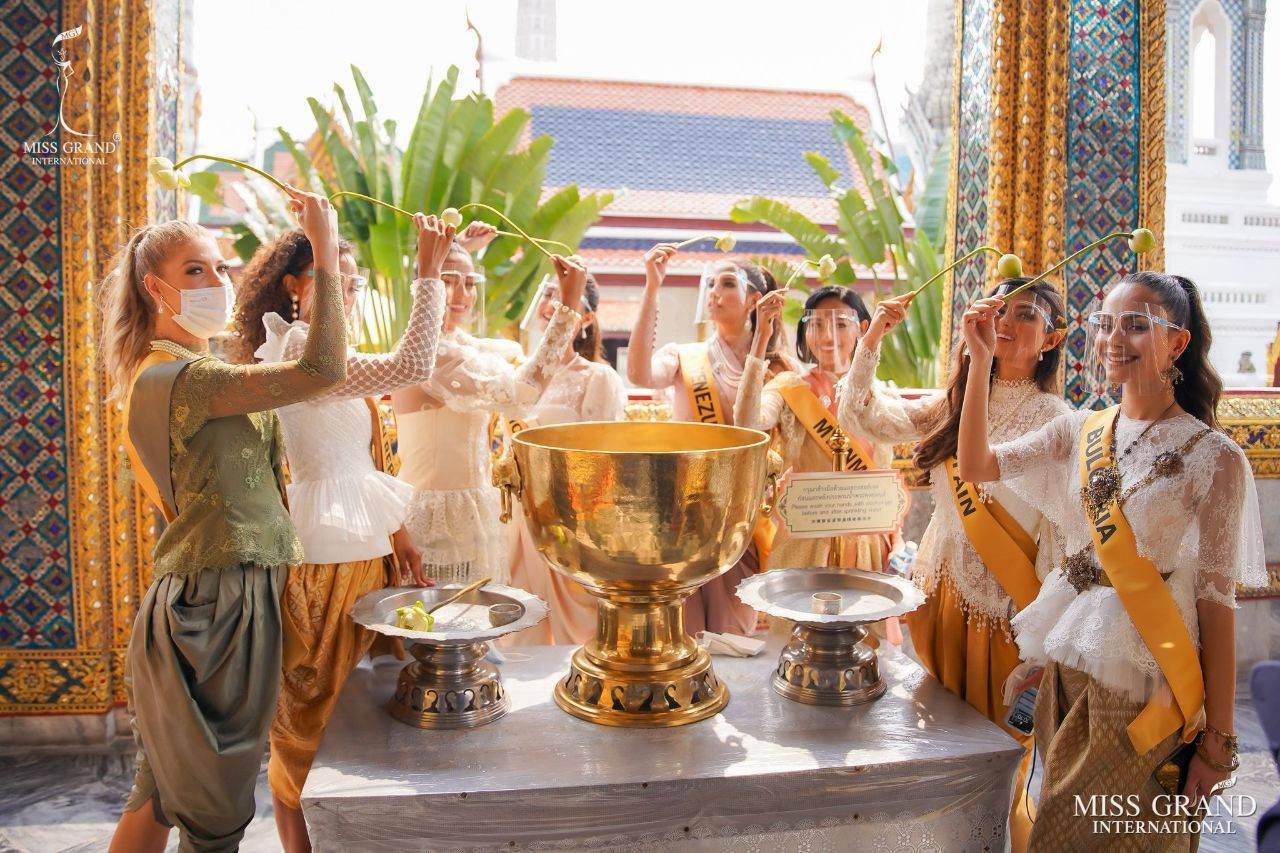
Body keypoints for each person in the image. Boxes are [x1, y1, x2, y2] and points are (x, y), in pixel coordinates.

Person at [957, 271, 1266, 849]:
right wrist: (978, 360)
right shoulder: (1080, 430)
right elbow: (975, 464)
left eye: (1137, 325)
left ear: (1178, 341)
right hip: (1073, 667)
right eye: (1106, 323)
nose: (1114, 339)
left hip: (1149, 683)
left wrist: (1218, 743)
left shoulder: (1215, 459)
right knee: (1061, 827)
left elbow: (1217, 608)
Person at [101, 190, 347, 852]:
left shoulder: (180, 374)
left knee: (159, 796)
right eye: (195, 270)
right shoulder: (187, 380)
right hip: (219, 607)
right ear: (156, 288)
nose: (219, 281)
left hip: (212, 597)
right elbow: (323, 369)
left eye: (219, 266)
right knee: (212, 814)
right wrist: (324, 249)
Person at [233, 214, 453, 852]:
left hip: (365, 548)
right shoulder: (302, 352)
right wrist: (428, 274)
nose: (349, 296)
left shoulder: (321, 356)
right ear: (296, 288)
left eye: (353, 285)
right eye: (339, 282)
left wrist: (400, 535)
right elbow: (414, 363)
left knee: (359, 717)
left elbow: (363, 462)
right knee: (310, 716)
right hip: (324, 558)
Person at [391, 249, 585, 584]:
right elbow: (523, 396)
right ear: (425, 287)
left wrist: (462, 247)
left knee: (477, 622)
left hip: (473, 508)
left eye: (469, 283)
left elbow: (504, 353)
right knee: (439, 626)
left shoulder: (460, 343)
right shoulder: (431, 352)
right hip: (436, 515)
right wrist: (567, 307)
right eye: (448, 282)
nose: (461, 294)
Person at [626, 246, 787, 637]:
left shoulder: (781, 368)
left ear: (754, 301)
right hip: (683, 511)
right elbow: (638, 374)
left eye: (727, 283)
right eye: (711, 283)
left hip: (741, 514)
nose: (714, 291)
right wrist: (652, 288)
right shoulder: (685, 357)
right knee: (684, 629)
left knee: (734, 632)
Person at [735, 284, 897, 571]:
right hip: (805, 540)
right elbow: (747, 424)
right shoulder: (790, 387)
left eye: (840, 324)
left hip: (865, 539)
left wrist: (895, 537)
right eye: (817, 324)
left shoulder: (881, 394)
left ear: (862, 328)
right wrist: (761, 338)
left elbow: (886, 478)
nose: (826, 335)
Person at [506, 274, 628, 645]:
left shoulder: (598, 378)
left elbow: (605, 459)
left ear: (586, 320)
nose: (550, 306)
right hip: (518, 510)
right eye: (546, 294)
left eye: (564, 300)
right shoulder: (514, 373)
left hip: (570, 514)